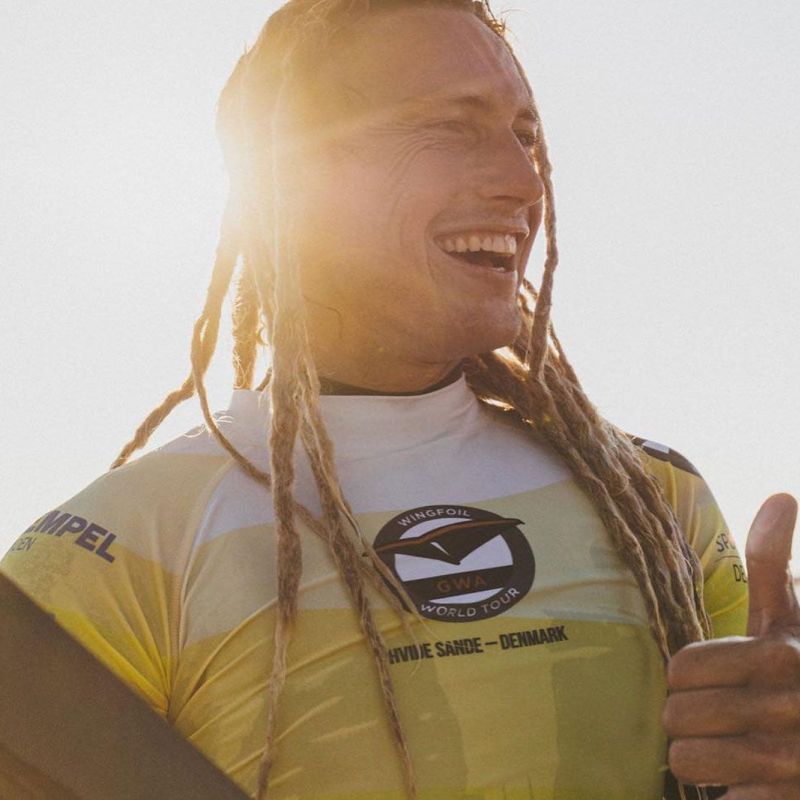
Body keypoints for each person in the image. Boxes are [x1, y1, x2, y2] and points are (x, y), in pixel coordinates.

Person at [2, 1, 798, 798]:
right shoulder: (121, 546)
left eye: (524, 135)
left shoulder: (653, 501)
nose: (524, 182)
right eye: (451, 128)